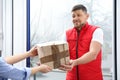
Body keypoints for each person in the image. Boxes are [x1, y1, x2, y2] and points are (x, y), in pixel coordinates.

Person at [60, 4, 103, 80]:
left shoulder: (96, 31)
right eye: (73, 16)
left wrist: (75, 62)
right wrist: (47, 63)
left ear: (87, 16)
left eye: (79, 15)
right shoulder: (66, 34)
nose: (75, 18)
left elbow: (93, 54)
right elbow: (61, 56)